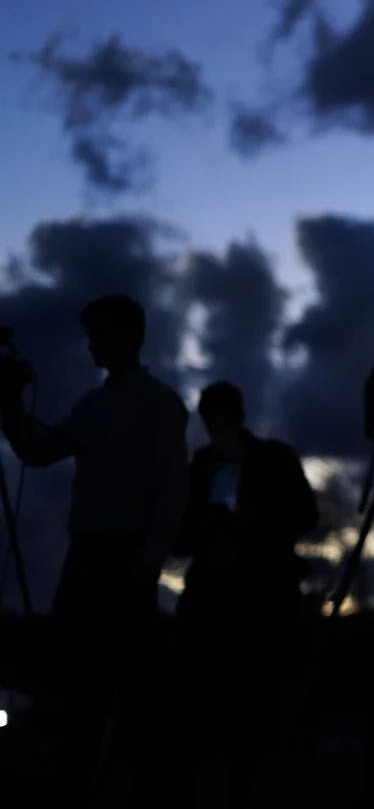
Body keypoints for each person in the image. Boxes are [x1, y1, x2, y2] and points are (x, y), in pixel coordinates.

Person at [0, 292, 190, 805]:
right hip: (85, 557)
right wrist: (11, 410)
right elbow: (40, 452)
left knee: (124, 686)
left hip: (125, 558)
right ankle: (75, 778)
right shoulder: (94, 404)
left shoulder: (159, 404)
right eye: (91, 334)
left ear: (129, 336)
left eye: (101, 333)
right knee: (73, 680)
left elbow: (174, 490)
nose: (92, 343)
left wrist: (149, 561)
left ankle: (128, 782)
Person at [172, 379, 320, 806]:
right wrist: (206, 525)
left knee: (257, 709)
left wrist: (256, 522)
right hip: (208, 599)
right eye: (213, 415)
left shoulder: (274, 459)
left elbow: (305, 515)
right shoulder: (198, 469)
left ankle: (247, 786)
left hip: (263, 598)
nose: (219, 423)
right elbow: (178, 539)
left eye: (223, 413)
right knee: (198, 706)